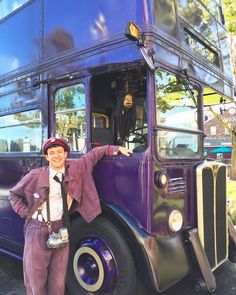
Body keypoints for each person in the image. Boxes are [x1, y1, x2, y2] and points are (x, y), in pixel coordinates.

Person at [9, 137, 132, 295]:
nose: (56, 156)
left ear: (66, 153)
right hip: (37, 230)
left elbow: (93, 155)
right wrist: (25, 213)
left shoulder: (76, 168)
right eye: (51, 153)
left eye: (59, 152)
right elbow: (14, 195)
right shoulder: (36, 175)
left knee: (58, 280)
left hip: (60, 229)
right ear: (46, 157)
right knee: (36, 280)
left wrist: (114, 149)